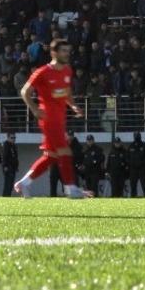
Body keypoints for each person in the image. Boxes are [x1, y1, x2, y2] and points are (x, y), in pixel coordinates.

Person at [14, 39, 89, 199]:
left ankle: (23, 183)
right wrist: (35, 109)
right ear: (54, 53)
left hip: (60, 119)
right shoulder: (42, 72)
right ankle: (70, 188)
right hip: (48, 119)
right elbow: (24, 92)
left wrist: (73, 106)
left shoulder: (68, 70)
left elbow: (66, 92)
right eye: (63, 51)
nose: (67, 54)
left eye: (68, 51)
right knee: (65, 150)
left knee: (51, 156)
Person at [127, 131, 145, 197]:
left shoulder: (144, 145)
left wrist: (142, 162)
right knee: (133, 187)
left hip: (142, 169)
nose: (137, 137)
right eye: (135, 135)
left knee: (144, 186)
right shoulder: (131, 146)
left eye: (138, 135)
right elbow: (127, 157)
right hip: (133, 170)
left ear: (140, 136)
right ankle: (133, 201)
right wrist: (131, 163)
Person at [1, 133, 19, 197]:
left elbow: (15, 157)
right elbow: (4, 156)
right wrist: (5, 166)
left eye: (14, 138)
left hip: (13, 167)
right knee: (8, 183)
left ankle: (8, 196)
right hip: (8, 167)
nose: (13, 139)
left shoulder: (13, 146)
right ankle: (5, 196)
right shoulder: (6, 145)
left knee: (11, 183)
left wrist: (16, 166)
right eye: (12, 138)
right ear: (8, 138)